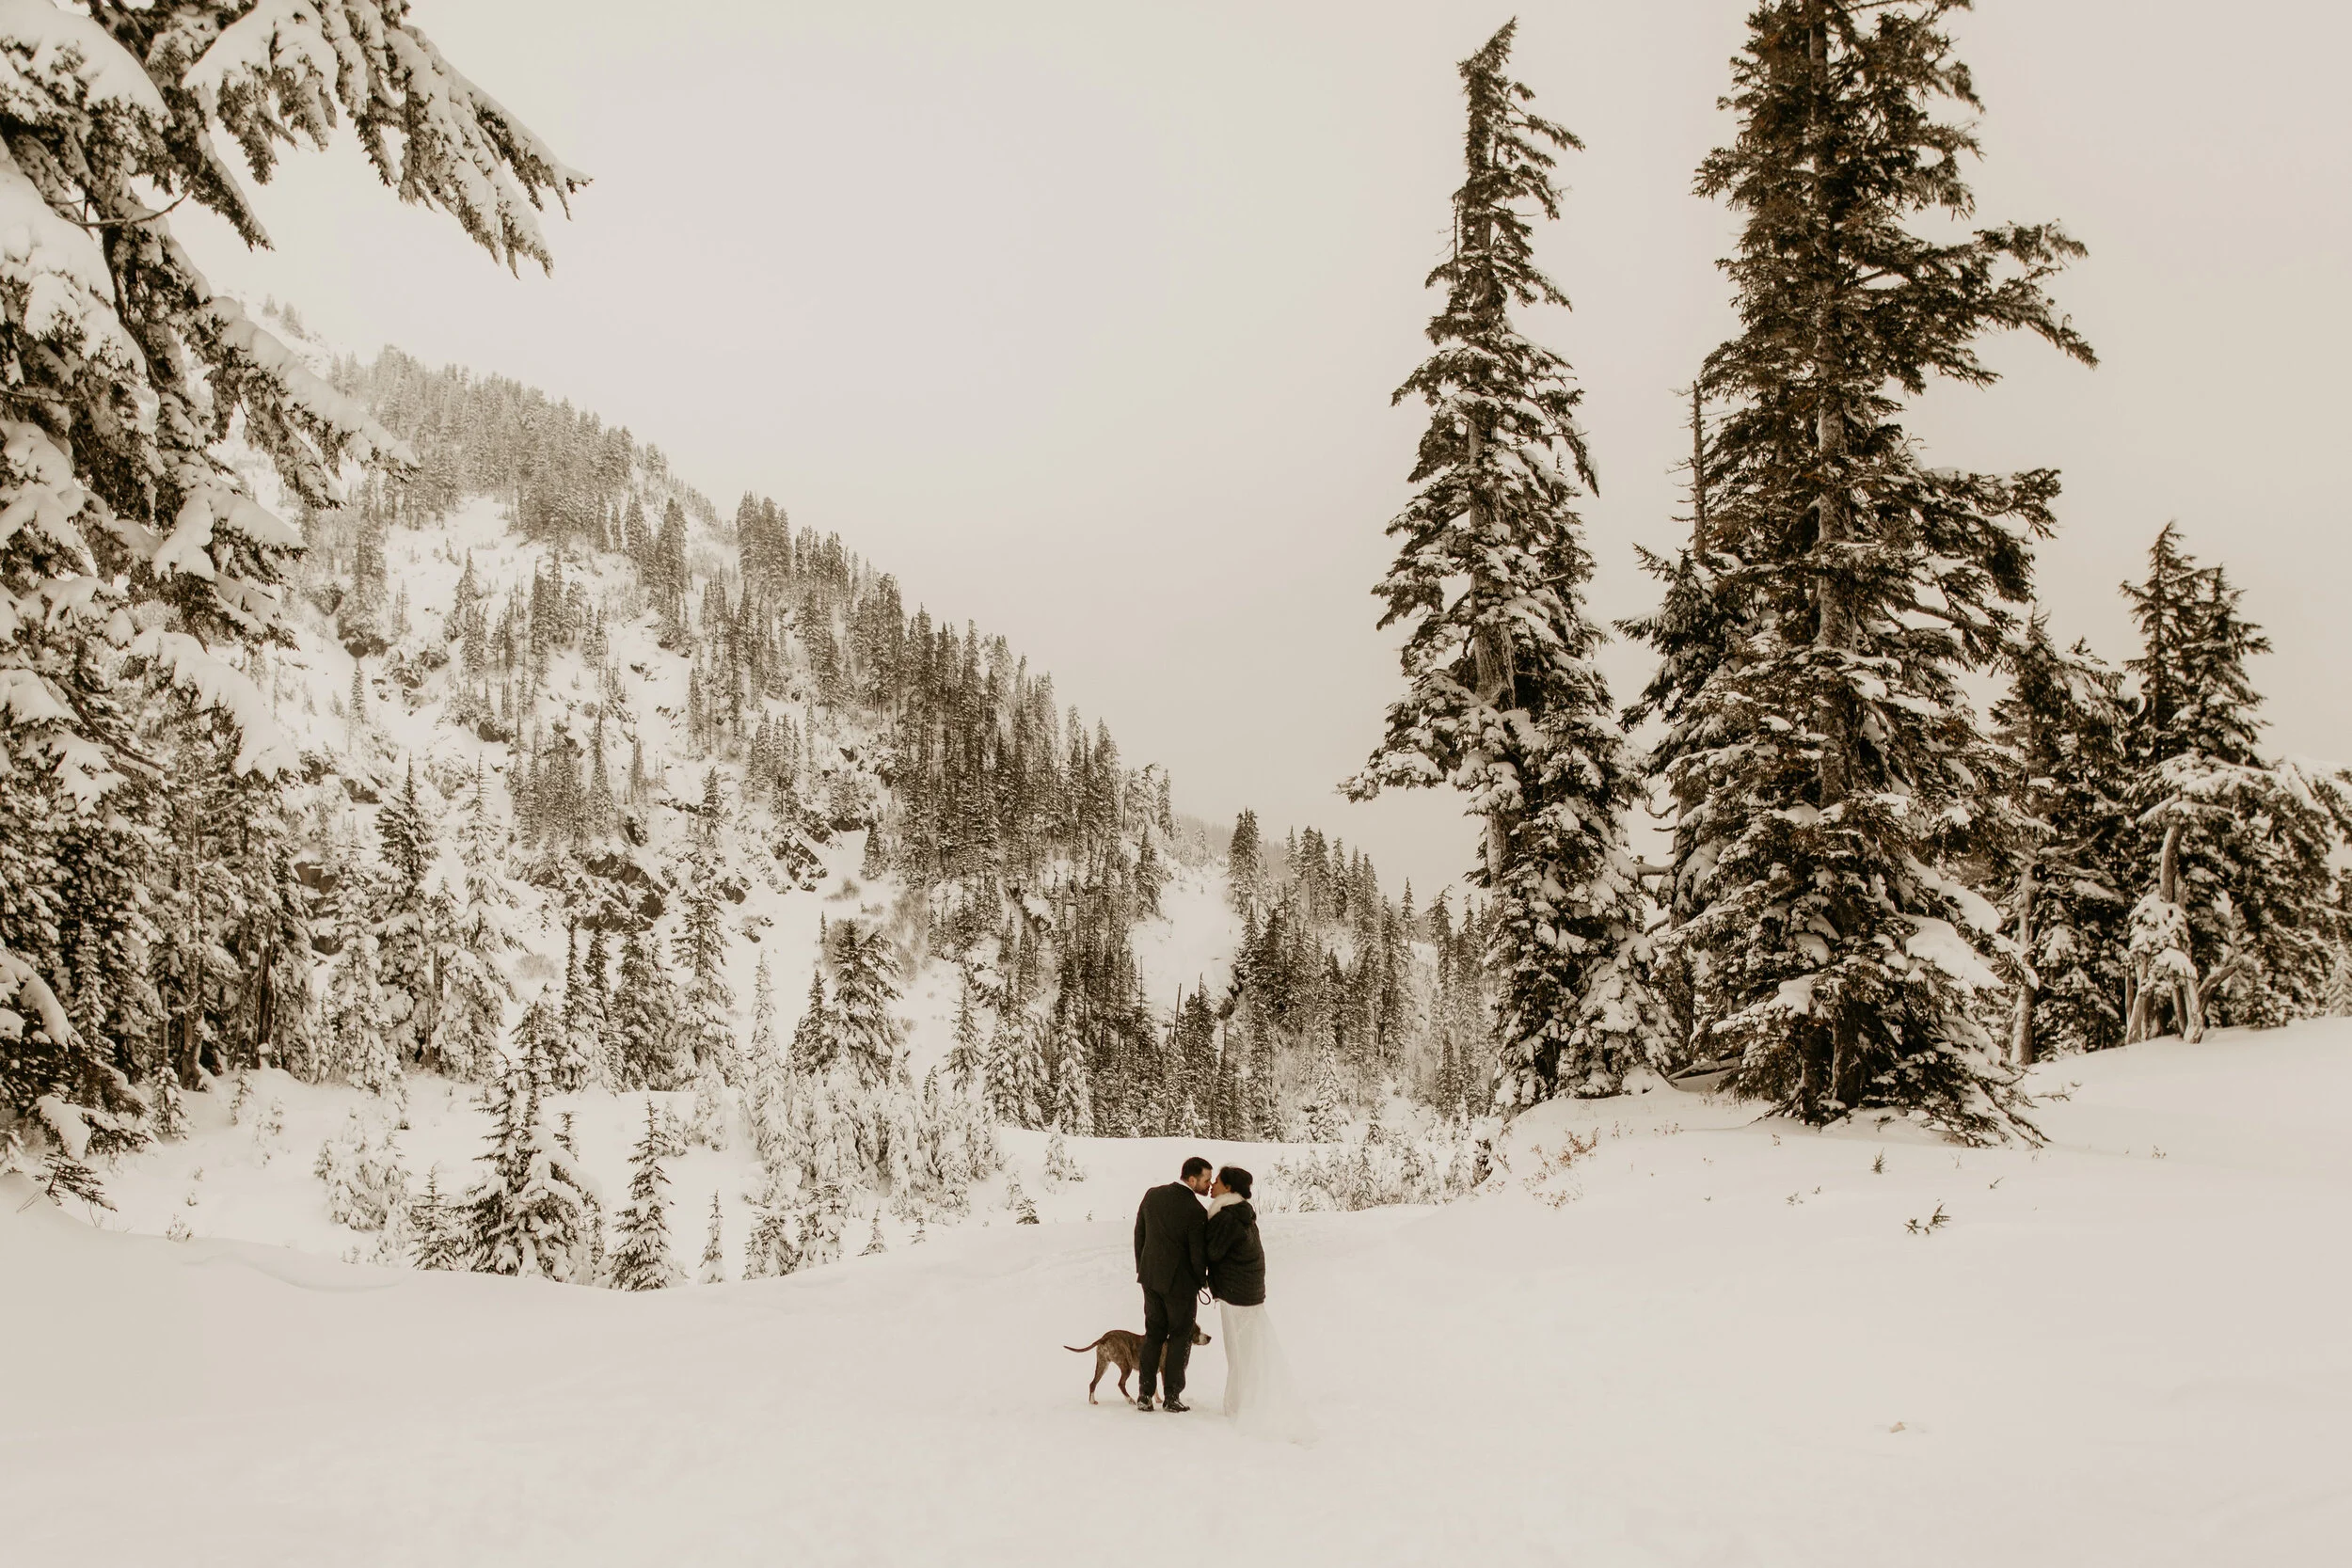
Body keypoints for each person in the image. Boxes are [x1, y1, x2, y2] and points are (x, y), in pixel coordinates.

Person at [1204, 1165, 1316, 1443]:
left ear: (1229, 1188)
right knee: (1249, 1350)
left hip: (1236, 1294)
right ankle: (1242, 1400)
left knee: (1240, 1352)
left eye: (1217, 1181)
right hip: (1248, 1292)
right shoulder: (1242, 1214)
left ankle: (1246, 1404)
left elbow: (1213, 1252)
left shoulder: (1227, 1217)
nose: (1212, 1184)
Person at [1131, 1156, 1211, 1411]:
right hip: (1180, 1286)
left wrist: (1143, 1267)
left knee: (1153, 1334)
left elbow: (1139, 1234)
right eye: (1206, 1180)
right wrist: (1202, 1280)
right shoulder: (1196, 1211)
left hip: (1151, 1279)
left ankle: (1145, 1395)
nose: (1209, 1185)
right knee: (1180, 1337)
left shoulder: (1152, 1196)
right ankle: (1172, 1396)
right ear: (1192, 1179)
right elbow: (1197, 1254)